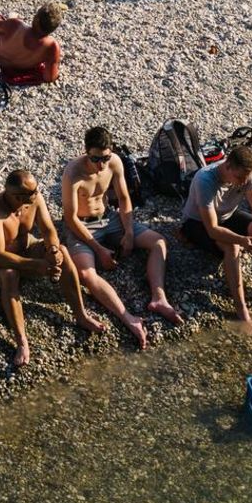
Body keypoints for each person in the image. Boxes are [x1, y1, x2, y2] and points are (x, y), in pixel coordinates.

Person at [0, 167, 103, 369]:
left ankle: (81, 315)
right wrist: (38, 266)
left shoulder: (34, 199)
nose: (35, 196)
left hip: (25, 246)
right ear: (15, 196)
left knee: (63, 252)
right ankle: (22, 342)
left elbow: (49, 229)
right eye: (30, 194)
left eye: (36, 191)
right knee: (9, 274)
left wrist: (52, 250)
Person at [60, 125, 182, 341]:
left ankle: (159, 297)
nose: (101, 165)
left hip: (109, 218)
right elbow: (70, 217)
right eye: (95, 159)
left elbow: (124, 199)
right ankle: (128, 317)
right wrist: (99, 250)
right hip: (82, 225)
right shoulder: (73, 173)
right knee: (86, 274)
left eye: (105, 158)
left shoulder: (114, 162)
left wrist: (128, 233)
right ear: (86, 151)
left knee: (159, 242)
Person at [180, 141, 252, 323]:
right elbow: (213, 229)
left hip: (227, 215)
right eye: (239, 178)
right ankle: (242, 311)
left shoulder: (246, 175)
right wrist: (241, 240)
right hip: (197, 223)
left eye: (245, 179)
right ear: (228, 166)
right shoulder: (205, 180)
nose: (242, 183)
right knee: (232, 247)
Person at [0, 2, 64, 81]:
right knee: (4, 25)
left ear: (36, 19)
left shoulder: (17, 26)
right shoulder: (52, 47)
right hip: (13, 66)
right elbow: (49, 77)